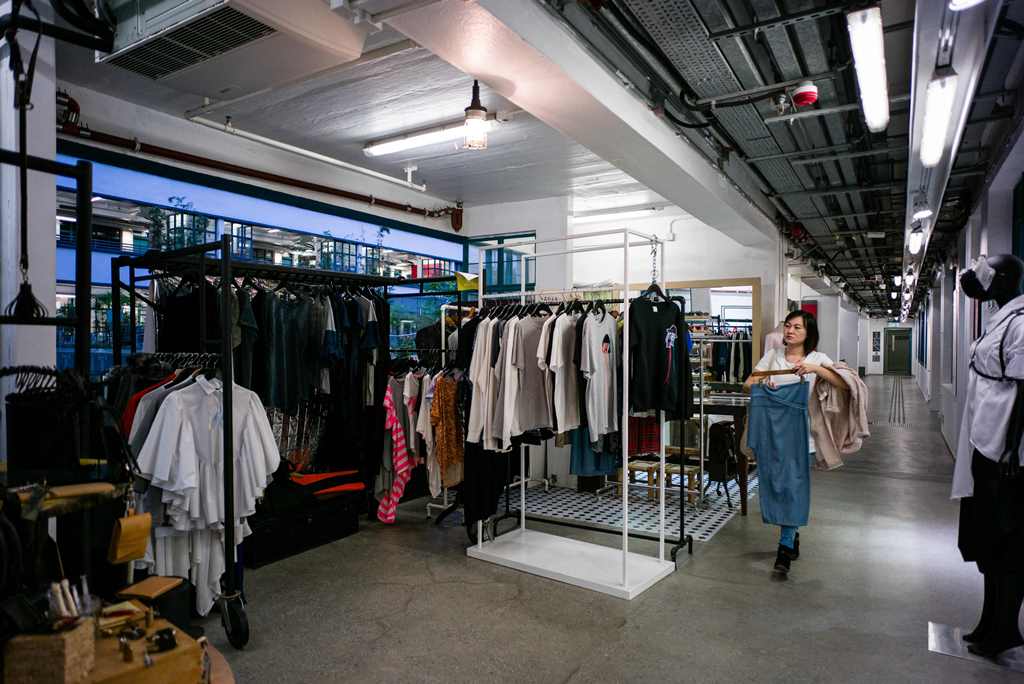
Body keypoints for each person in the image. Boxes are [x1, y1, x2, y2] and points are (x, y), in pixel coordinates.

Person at [743, 310, 847, 577]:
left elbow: (843, 383)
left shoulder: (818, 358)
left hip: (804, 437)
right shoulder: (773, 356)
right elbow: (748, 384)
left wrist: (816, 369)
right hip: (774, 434)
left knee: (793, 486)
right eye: (788, 326)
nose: (790, 331)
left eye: (797, 327)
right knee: (779, 485)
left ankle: (784, 546)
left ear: (808, 333)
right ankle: (793, 532)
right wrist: (764, 381)